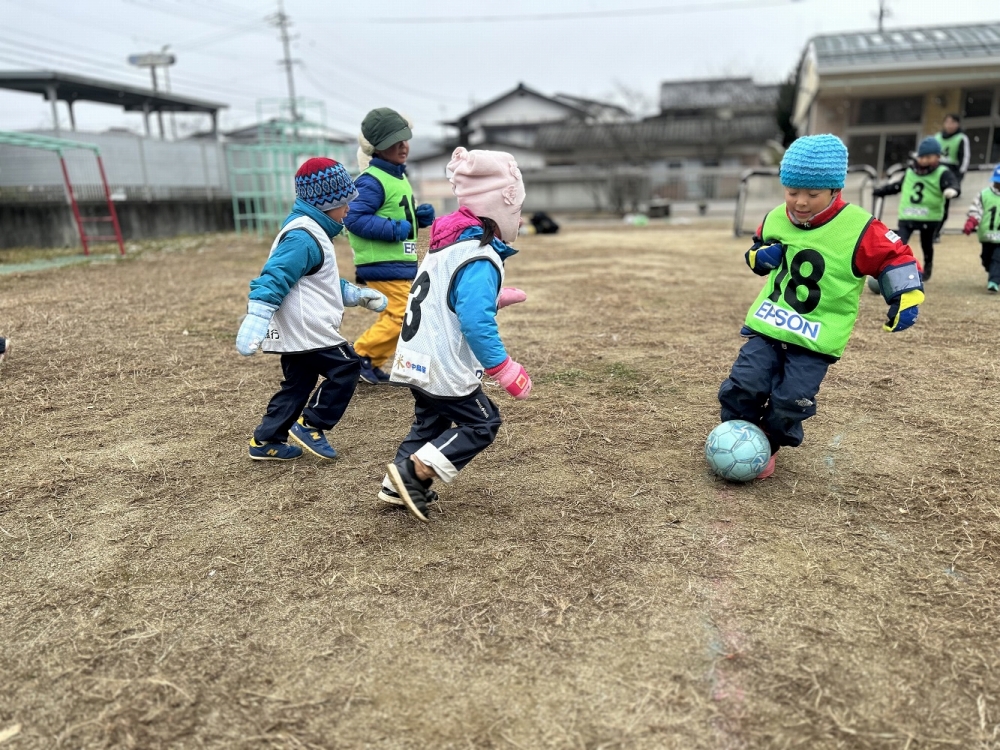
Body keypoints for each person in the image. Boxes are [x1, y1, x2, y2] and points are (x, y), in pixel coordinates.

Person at [719, 134, 924, 479]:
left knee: (792, 400)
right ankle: (736, 434)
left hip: (816, 336)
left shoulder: (859, 227)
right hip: (770, 325)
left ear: (834, 190)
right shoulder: (776, 217)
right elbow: (757, 248)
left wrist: (905, 295)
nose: (800, 202)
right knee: (744, 384)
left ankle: (767, 442)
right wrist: (759, 256)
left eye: (812, 194)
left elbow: (895, 257)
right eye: (792, 191)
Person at [381, 148, 531, 521]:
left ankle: (396, 484)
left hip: (415, 355)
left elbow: (446, 296)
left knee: (431, 421)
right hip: (442, 363)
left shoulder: (450, 244)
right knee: (482, 422)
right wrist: (504, 368)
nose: (520, 219)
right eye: (516, 211)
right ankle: (415, 472)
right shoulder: (481, 254)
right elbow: (474, 322)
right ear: (498, 210)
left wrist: (492, 299)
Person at [236, 157, 388, 461]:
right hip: (308, 327)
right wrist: (257, 316)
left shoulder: (311, 231)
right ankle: (312, 424)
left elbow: (317, 279)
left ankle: (266, 440)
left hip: (298, 329)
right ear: (325, 203)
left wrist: (356, 294)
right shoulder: (303, 236)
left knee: (297, 385)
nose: (348, 209)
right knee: (347, 366)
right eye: (344, 203)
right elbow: (275, 276)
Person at [346, 108, 436, 385]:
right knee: (403, 315)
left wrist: (417, 218)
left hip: (398, 261)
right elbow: (352, 217)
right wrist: (395, 229)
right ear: (376, 148)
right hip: (381, 262)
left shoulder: (397, 176)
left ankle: (370, 362)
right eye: (393, 142)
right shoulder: (371, 180)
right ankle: (359, 357)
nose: (402, 146)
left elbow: (394, 212)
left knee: (398, 314)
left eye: (404, 139)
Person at [873, 137, 960, 281]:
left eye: (928, 157)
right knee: (898, 244)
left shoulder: (942, 172)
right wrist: (881, 190)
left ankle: (928, 266)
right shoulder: (910, 171)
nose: (924, 160)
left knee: (926, 245)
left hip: (929, 217)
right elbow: (897, 186)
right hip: (907, 216)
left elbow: (953, 184)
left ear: (937, 157)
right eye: (922, 157)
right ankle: (892, 268)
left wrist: (952, 190)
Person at [962, 164, 1000, 293]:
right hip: (986, 236)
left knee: (997, 258)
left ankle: (994, 282)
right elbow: (976, 210)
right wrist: (971, 222)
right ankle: (994, 272)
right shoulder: (984, 195)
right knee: (986, 259)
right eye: (997, 182)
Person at [936, 113, 971, 238]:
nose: (949, 125)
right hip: (935, 174)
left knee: (943, 206)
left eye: (952, 122)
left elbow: (965, 158)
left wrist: (958, 178)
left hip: (950, 176)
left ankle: (936, 232)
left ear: (958, 124)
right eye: (947, 122)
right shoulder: (937, 137)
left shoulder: (961, 138)